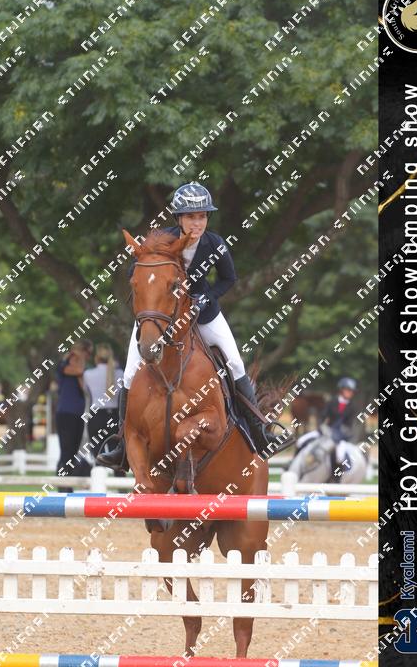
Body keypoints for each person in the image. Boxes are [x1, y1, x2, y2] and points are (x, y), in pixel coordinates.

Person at [99, 182, 290, 471]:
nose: (197, 223)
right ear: (179, 218)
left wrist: (206, 297)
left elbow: (229, 279)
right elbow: (136, 270)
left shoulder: (214, 244)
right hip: (163, 319)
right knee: (128, 373)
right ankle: (122, 443)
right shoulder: (164, 241)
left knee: (235, 362)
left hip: (204, 315)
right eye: (191, 217)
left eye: (202, 216)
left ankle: (260, 431)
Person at [55, 339, 93, 490]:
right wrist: (76, 357)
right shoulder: (64, 364)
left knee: (73, 452)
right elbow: (76, 371)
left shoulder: (83, 369)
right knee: (66, 451)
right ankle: (62, 486)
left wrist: (81, 362)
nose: (89, 357)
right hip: (65, 413)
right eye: (88, 353)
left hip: (78, 413)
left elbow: (84, 387)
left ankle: (68, 485)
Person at [83, 344, 123, 457]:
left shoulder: (88, 374)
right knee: (115, 456)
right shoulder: (120, 373)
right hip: (114, 416)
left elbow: (86, 392)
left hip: (96, 416)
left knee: (97, 455)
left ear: (96, 357)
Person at [318, 377, 358, 443]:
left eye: (352, 391)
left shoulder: (352, 407)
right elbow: (323, 416)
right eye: (348, 390)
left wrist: (345, 432)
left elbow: (349, 424)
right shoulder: (331, 402)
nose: (351, 393)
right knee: (304, 440)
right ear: (341, 389)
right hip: (327, 430)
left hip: (342, 435)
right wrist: (322, 426)